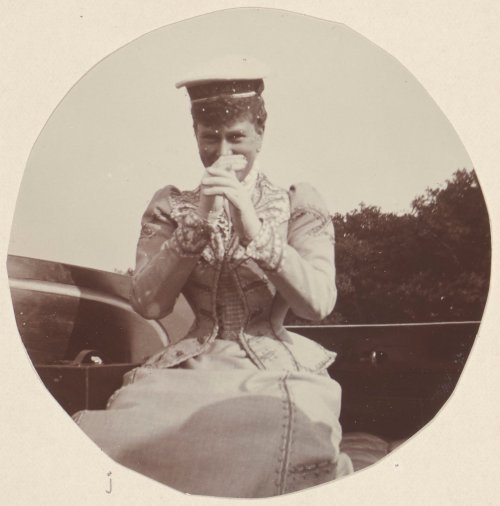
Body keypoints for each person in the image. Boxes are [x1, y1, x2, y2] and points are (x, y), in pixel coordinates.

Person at [73, 56, 353, 497]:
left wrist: (255, 228)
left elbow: (317, 303)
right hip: (189, 368)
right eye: (210, 139)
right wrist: (199, 220)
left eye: (237, 138)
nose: (223, 153)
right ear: (195, 137)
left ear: (261, 134)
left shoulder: (296, 202)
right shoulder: (171, 205)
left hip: (275, 367)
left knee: (270, 439)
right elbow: (149, 305)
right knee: (120, 438)